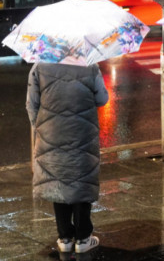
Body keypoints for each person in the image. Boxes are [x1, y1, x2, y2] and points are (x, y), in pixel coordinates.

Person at [26, 63, 109, 255]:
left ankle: (64, 237)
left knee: (59, 179)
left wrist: (40, 128)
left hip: (51, 134)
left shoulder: (39, 67)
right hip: (82, 132)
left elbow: (32, 104)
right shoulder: (90, 66)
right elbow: (102, 99)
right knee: (81, 178)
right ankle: (83, 238)